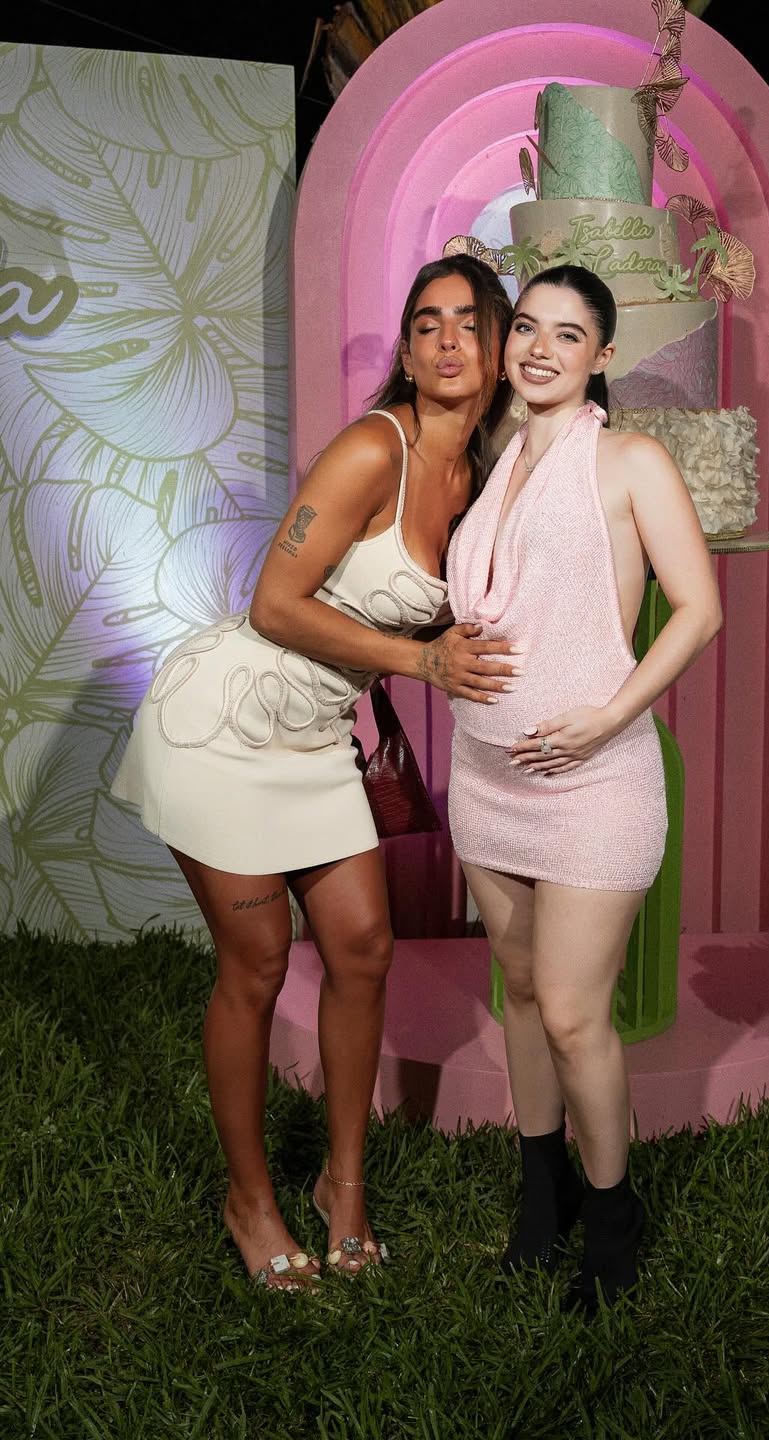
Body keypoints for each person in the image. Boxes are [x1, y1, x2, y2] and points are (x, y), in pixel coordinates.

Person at [112, 255, 516, 1290]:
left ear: (500, 345)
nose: (447, 340)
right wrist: (422, 662)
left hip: (317, 737)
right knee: (255, 965)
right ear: (408, 353)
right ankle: (249, 1201)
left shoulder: (480, 478)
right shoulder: (373, 449)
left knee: (364, 949)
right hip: (223, 727)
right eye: (425, 323)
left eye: (469, 322)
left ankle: (344, 1187)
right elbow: (275, 604)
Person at [445, 265, 723, 1313]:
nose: (540, 348)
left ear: (603, 355)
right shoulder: (492, 461)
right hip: (486, 771)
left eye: (568, 334)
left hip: (595, 777)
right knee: (519, 990)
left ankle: (612, 1219)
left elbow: (698, 609)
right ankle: (541, 1194)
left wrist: (610, 715)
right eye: (527, 326)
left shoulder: (630, 460)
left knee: (570, 1011)